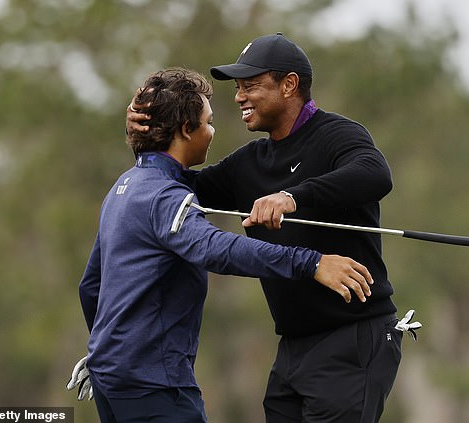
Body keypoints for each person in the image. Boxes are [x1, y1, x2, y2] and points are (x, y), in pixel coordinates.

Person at [126, 34, 409, 423]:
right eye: (238, 88)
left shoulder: (336, 134)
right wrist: (147, 137)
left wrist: (291, 197)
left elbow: (374, 174)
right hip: (293, 349)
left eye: (251, 86)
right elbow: (171, 188)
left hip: (353, 339)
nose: (239, 97)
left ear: (289, 85)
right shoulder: (249, 162)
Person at [68, 67, 375, 423]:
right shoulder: (165, 196)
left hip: (111, 378)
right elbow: (217, 249)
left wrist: (105, 351)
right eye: (209, 122)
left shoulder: (125, 187)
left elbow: (91, 286)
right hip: (154, 385)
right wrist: (311, 263)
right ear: (187, 129)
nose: (212, 132)